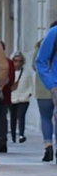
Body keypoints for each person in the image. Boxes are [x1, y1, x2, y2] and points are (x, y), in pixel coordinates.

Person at [35, 21, 57, 161]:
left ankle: (48, 145)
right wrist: (52, 85)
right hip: (52, 84)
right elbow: (39, 62)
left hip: (46, 86)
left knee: (46, 117)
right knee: (47, 116)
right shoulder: (54, 33)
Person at [10, 51, 33, 145]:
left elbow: (30, 84)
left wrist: (29, 93)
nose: (17, 63)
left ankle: (21, 135)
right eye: (15, 61)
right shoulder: (9, 72)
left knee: (21, 116)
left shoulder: (27, 72)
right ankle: (13, 136)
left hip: (24, 98)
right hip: (12, 98)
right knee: (13, 117)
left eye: (20, 61)